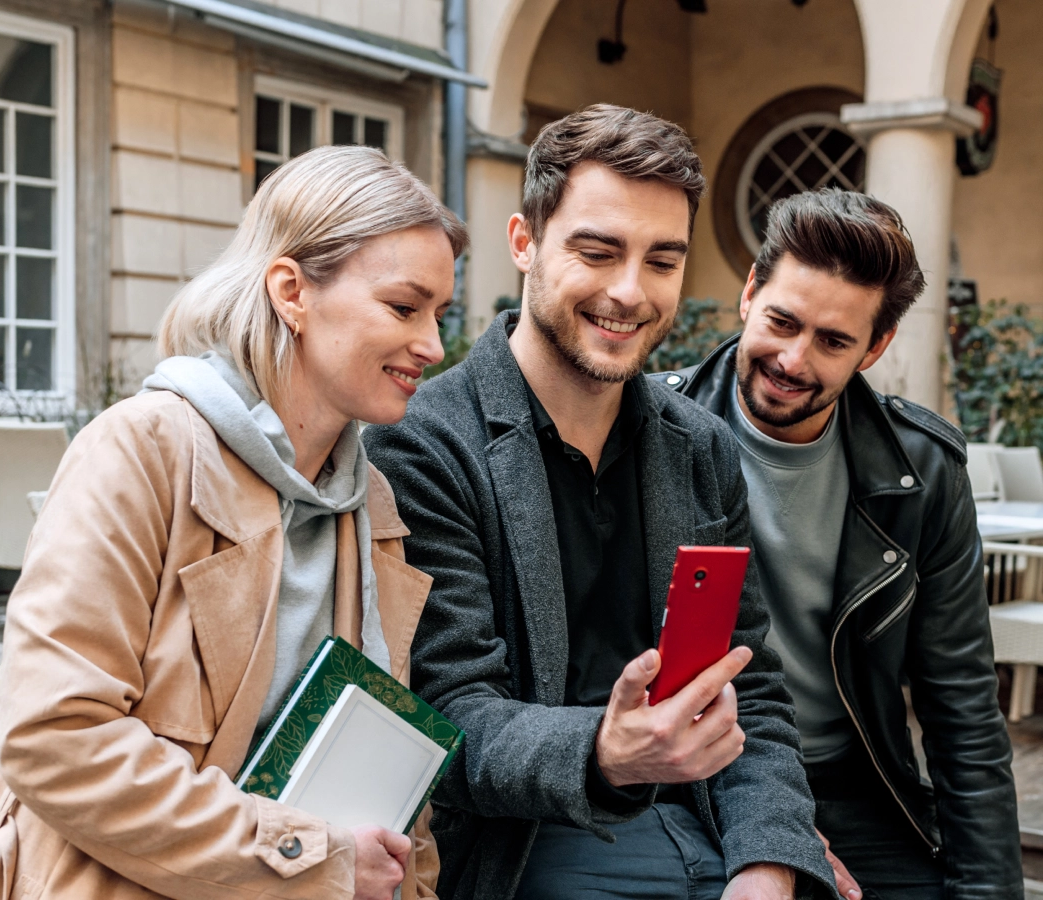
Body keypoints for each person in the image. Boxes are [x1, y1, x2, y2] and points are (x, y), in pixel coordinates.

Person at [0, 146, 467, 900]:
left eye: (440, 314)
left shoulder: (372, 506)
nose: (431, 344)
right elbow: (54, 738)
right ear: (292, 290)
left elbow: (387, 767)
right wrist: (314, 859)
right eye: (404, 306)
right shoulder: (142, 450)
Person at [364, 104, 837, 900]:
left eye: (662, 260)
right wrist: (608, 751)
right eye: (598, 251)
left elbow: (746, 685)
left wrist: (771, 859)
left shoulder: (701, 447)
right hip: (525, 845)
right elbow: (446, 715)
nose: (630, 292)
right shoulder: (424, 442)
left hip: (705, 828)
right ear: (524, 242)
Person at [654, 188, 1022, 899]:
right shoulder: (651, 435)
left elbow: (962, 711)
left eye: (833, 341)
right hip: (693, 778)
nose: (793, 360)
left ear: (876, 346)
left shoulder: (922, 473)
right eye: (782, 321)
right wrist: (773, 822)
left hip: (859, 785)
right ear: (750, 291)